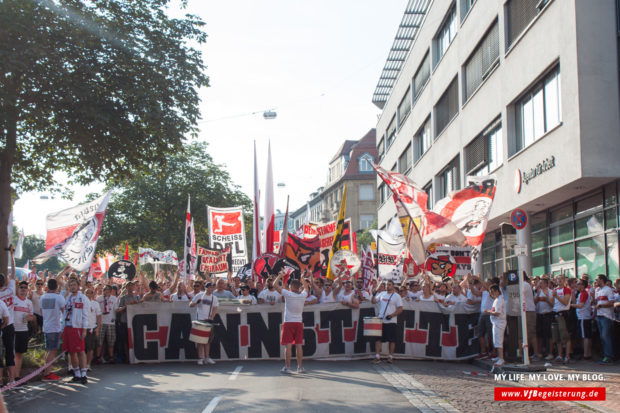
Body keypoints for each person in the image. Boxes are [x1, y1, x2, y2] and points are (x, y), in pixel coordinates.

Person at [272, 271, 310, 374]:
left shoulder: (288, 294)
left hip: (289, 322)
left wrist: (280, 275)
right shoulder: (303, 295)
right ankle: (300, 367)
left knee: (288, 345)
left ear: (291, 286)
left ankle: (287, 367)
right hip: (298, 323)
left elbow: (274, 285)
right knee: (299, 345)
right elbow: (306, 288)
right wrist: (303, 278)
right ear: (298, 287)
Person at [63, 278, 89, 384]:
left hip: (78, 328)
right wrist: (62, 328)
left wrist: (84, 330)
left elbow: (85, 315)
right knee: (71, 352)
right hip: (68, 327)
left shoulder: (82, 298)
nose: (72, 287)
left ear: (78, 286)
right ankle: (76, 374)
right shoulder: (68, 298)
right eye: (70, 285)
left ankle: (84, 374)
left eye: (74, 285)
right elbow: (64, 313)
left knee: (80, 351)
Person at [371, 280, 403, 364]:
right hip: (381, 319)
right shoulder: (382, 294)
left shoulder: (397, 296)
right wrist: (374, 294)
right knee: (378, 339)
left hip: (391, 321)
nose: (387, 286)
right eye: (386, 285)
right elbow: (373, 301)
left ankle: (390, 356)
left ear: (393, 286)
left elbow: (400, 309)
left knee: (391, 340)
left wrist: (392, 315)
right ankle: (377, 356)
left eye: (389, 285)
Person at [40, 278, 66, 381]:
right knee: (52, 351)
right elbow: (64, 311)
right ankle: (47, 373)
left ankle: (46, 370)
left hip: (46, 326)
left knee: (49, 350)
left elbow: (42, 311)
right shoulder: (59, 298)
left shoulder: (42, 297)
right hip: (54, 327)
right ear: (56, 287)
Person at [189, 282, 218, 365]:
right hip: (200, 320)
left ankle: (207, 357)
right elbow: (190, 305)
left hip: (208, 320)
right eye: (210, 287)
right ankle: (200, 358)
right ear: (206, 288)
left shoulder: (214, 298)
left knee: (207, 340)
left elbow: (215, 308)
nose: (211, 289)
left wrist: (212, 317)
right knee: (200, 340)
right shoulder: (199, 295)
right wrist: (196, 302)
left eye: (212, 287)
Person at [0, 247, 17, 384]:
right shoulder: (11, 289)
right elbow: (14, 270)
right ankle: (11, 380)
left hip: (3, 325)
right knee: (10, 352)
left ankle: (1, 381)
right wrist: (12, 256)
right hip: (10, 325)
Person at [13, 281, 35, 381]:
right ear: (17, 289)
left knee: (19, 354)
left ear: (27, 290)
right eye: (21, 287)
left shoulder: (29, 303)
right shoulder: (13, 299)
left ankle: (17, 376)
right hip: (12, 330)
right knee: (11, 354)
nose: (23, 289)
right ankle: (12, 377)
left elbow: (32, 316)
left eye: (25, 287)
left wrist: (29, 318)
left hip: (23, 330)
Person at [594, 274, 615, 364]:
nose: (596, 281)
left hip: (606, 317)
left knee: (605, 337)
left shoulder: (608, 290)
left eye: (597, 279)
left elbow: (611, 303)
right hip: (599, 316)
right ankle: (605, 356)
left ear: (602, 280)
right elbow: (596, 301)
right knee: (602, 337)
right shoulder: (597, 290)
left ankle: (609, 357)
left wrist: (601, 305)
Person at [116, 281, 139, 362]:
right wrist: (127, 305)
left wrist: (137, 304)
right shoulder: (123, 298)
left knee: (134, 339)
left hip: (134, 321)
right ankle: (127, 356)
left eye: (132, 286)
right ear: (126, 287)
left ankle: (135, 356)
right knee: (125, 340)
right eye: (129, 286)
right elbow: (119, 310)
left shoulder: (137, 297)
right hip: (125, 321)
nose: (130, 287)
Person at [551, 275, 572, 363]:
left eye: (560, 279)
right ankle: (560, 355)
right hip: (555, 313)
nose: (559, 281)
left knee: (565, 335)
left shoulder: (567, 290)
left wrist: (557, 297)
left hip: (563, 314)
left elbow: (565, 302)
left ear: (563, 280)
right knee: (557, 336)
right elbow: (552, 302)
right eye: (557, 279)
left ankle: (567, 356)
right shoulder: (555, 290)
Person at [571, 279, 593, 360]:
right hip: (581, 317)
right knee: (585, 336)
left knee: (586, 337)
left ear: (583, 285)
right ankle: (587, 354)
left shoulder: (584, 293)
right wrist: (573, 294)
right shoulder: (580, 294)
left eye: (579, 284)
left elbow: (580, 305)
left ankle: (586, 354)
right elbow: (576, 302)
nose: (577, 285)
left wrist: (570, 305)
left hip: (584, 317)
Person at [485, 284, 506, 366]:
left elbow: (497, 313)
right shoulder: (497, 299)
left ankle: (501, 358)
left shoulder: (499, 300)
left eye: (493, 292)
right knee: (496, 340)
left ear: (497, 291)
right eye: (490, 293)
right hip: (496, 322)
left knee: (498, 340)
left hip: (499, 322)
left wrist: (488, 312)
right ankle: (499, 356)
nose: (491, 294)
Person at [97, 285, 118, 363]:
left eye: (108, 289)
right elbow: (97, 310)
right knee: (100, 341)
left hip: (111, 322)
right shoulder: (99, 298)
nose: (107, 291)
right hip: (101, 322)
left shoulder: (114, 299)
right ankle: (98, 357)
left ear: (111, 290)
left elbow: (116, 309)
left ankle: (111, 357)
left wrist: (124, 307)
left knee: (111, 341)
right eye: (105, 289)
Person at [84, 288, 101, 371]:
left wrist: (98, 328)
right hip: (82, 328)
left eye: (90, 293)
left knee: (90, 348)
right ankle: (82, 365)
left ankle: (88, 365)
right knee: (82, 349)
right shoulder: (82, 303)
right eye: (87, 292)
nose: (89, 294)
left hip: (91, 328)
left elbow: (99, 316)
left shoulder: (95, 304)